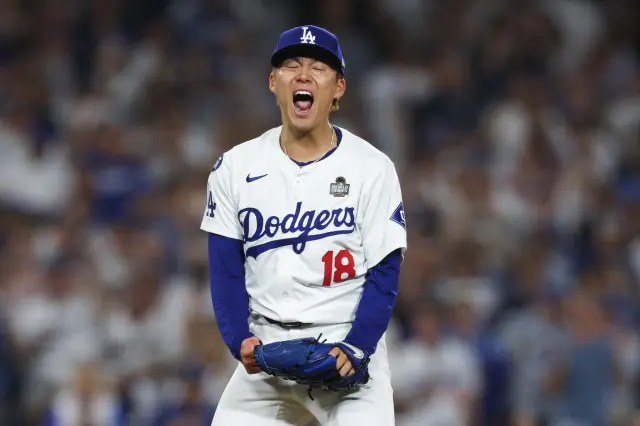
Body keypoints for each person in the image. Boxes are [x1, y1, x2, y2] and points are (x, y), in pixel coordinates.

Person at [201, 25, 407, 425]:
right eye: (292, 65)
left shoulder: (371, 168)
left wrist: (358, 346)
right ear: (273, 82)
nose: (304, 75)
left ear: (338, 88)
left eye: (319, 67)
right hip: (267, 349)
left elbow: (385, 271)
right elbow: (225, 270)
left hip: (344, 343)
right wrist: (238, 340)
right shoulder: (235, 167)